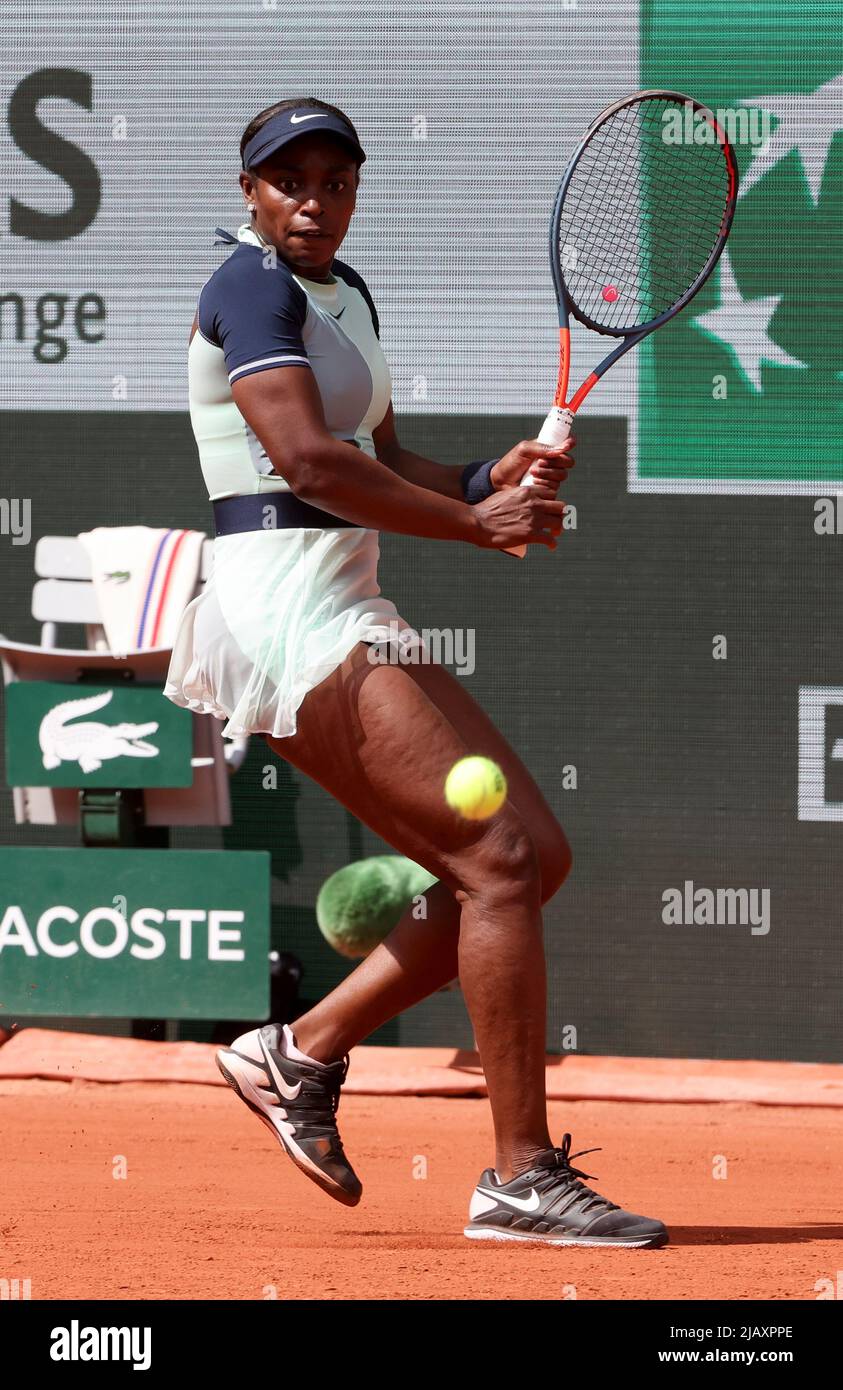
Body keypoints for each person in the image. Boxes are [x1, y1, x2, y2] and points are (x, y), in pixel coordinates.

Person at [165, 96, 667, 1248]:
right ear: (249, 190)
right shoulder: (249, 287)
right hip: (278, 608)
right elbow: (305, 460)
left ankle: (297, 1051)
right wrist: (478, 526)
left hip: (345, 599)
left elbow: (387, 459)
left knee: (533, 856)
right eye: (287, 178)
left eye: (334, 179)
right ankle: (521, 1175)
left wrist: (493, 472)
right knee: (494, 858)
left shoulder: (350, 294)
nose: (313, 198)